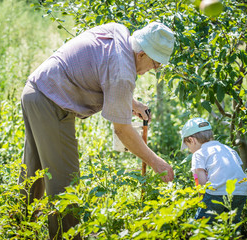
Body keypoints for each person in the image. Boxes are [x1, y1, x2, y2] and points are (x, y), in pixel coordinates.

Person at [19, 22, 175, 239]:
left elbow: (103, 68)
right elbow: (122, 130)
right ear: (141, 54)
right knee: (66, 186)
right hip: (52, 103)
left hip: (35, 91)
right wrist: (156, 162)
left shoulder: (119, 32)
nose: (154, 69)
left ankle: (17, 231)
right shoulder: (123, 73)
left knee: (34, 176)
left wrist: (132, 103)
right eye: (155, 63)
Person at [180, 117, 247, 224]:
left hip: (217, 192)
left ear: (191, 140)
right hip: (240, 191)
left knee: (203, 225)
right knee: (232, 225)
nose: (189, 150)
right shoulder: (229, 149)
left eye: (188, 146)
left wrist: (201, 203)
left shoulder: (199, 154)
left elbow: (202, 184)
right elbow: (237, 170)